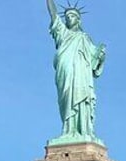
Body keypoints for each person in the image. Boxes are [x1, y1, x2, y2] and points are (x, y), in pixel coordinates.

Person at [46, 0, 106, 141]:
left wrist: (101, 56)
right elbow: (53, 14)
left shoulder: (84, 38)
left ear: (78, 19)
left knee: (82, 98)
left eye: (72, 16)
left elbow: (94, 63)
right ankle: (68, 130)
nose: (68, 18)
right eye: (66, 17)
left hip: (81, 73)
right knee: (67, 98)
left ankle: (84, 130)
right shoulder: (62, 33)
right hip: (65, 69)